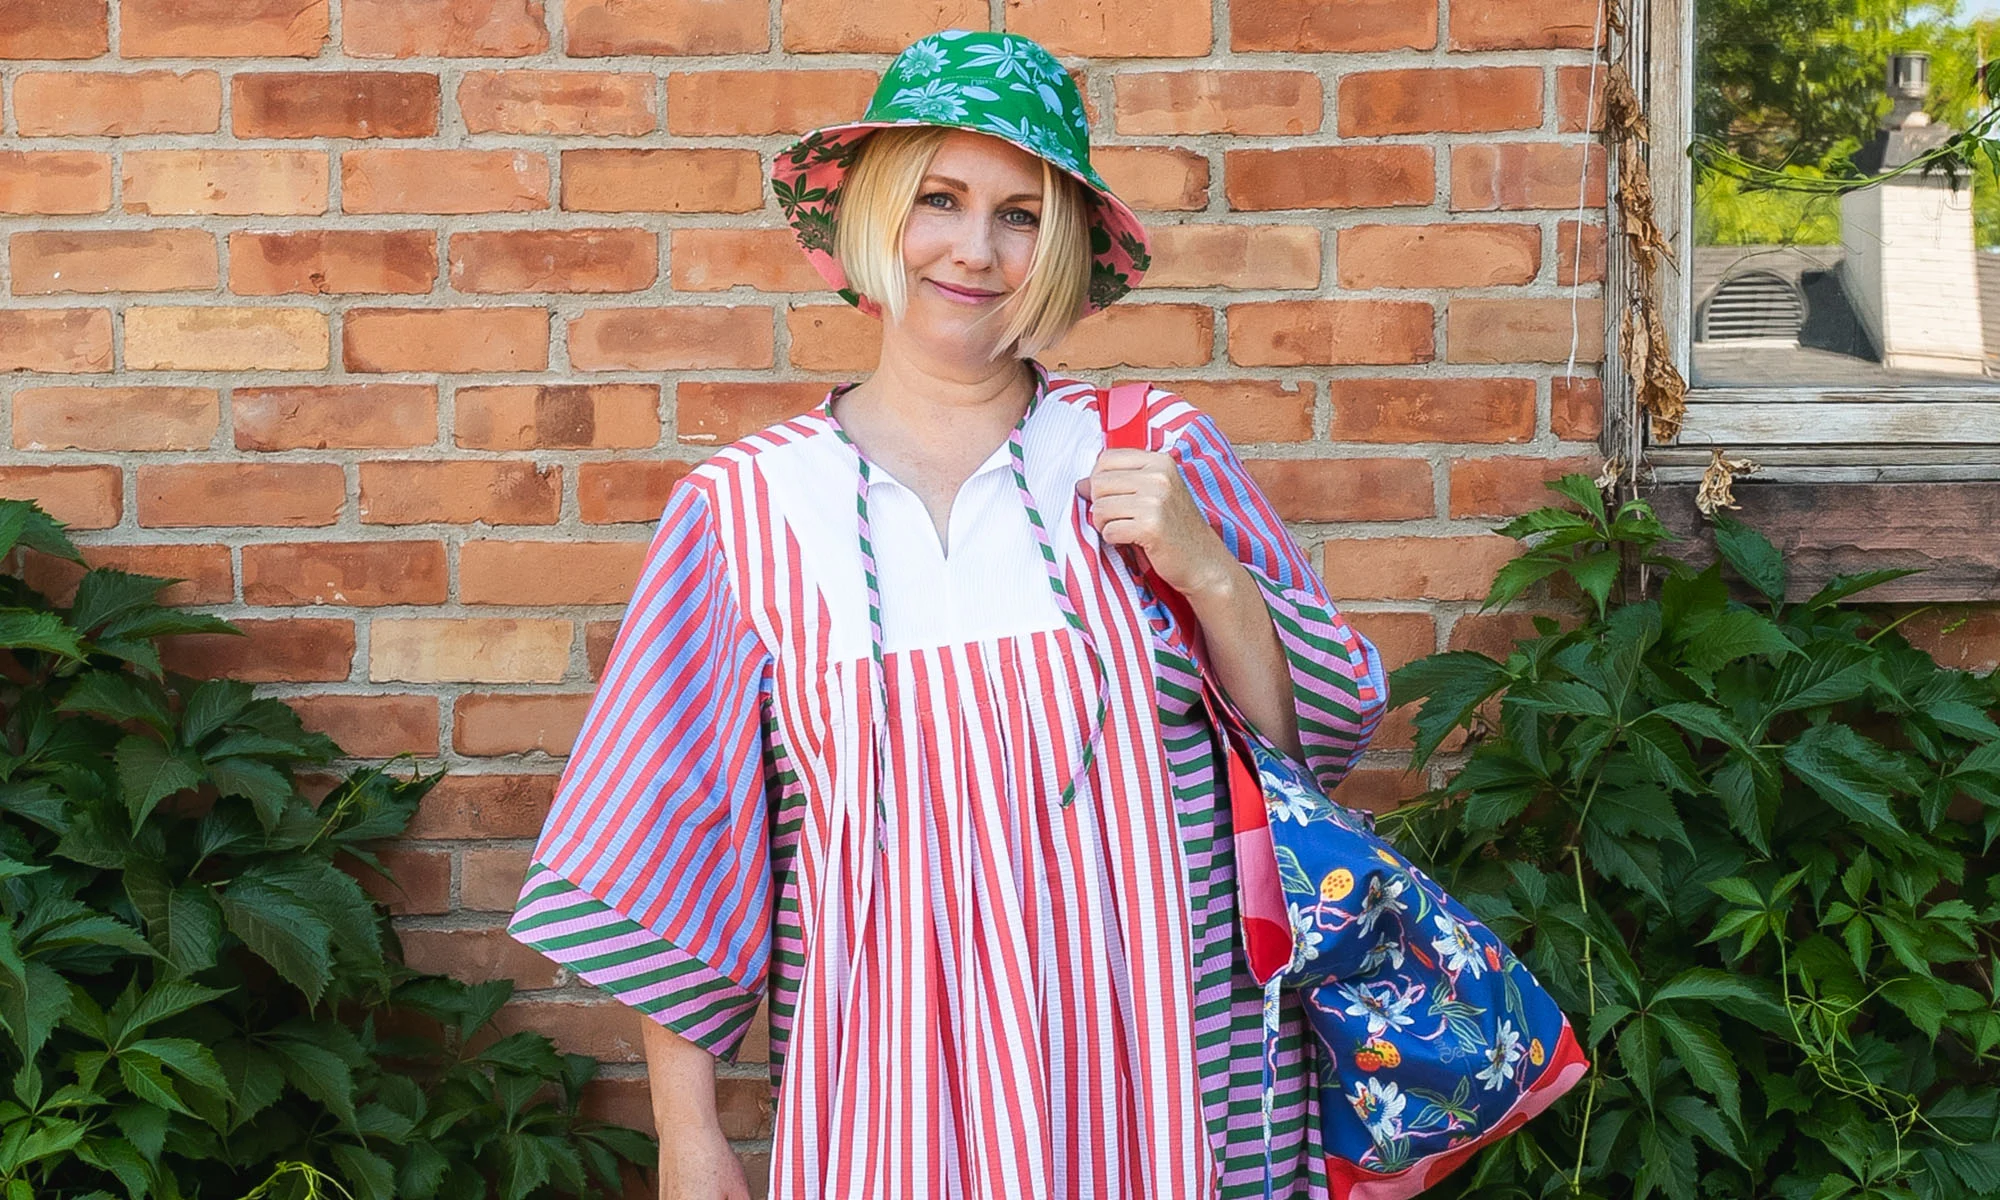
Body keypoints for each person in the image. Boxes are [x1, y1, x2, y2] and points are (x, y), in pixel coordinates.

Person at [508, 30, 1387, 1200]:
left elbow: (1297, 765)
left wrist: (1211, 574)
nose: (974, 250)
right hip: (888, 1100)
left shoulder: (1146, 451)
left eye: (1021, 215)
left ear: (1063, 246)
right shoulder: (747, 509)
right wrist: (690, 1135)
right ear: (875, 213)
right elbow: (677, 840)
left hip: (1172, 1085)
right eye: (939, 199)